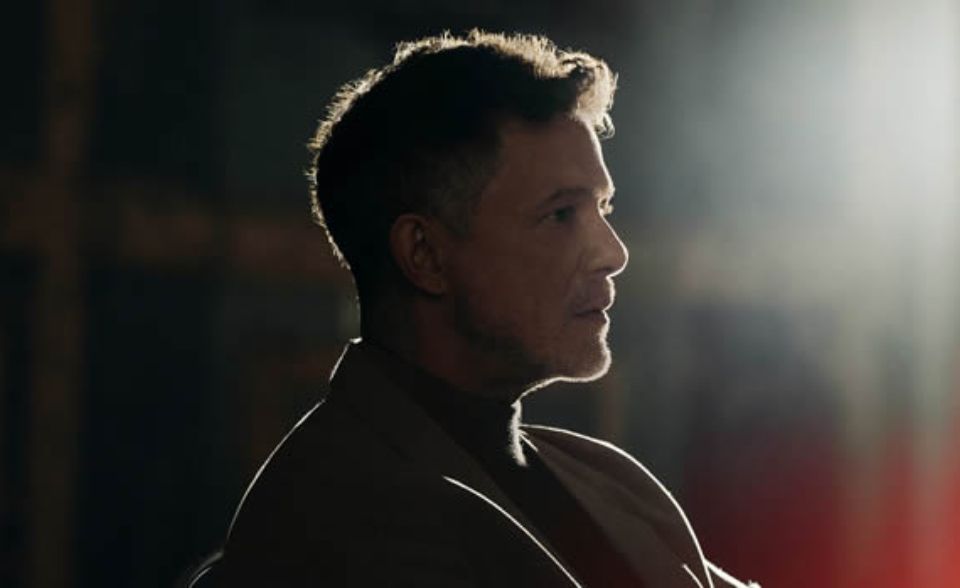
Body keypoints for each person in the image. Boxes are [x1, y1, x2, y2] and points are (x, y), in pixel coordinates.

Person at [188, 30, 758, 587]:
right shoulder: (339, 519)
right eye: (561, 215)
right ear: (425, 254)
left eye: (602, 209)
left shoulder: (607, 478)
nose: (613, 253)